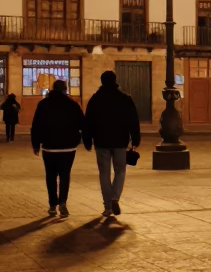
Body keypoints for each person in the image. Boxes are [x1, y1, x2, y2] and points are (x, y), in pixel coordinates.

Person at [83, 70, 141, 218]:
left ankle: (108, 207)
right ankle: (115, 198)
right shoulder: (125, 98)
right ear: (115, 81)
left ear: (102, 81)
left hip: (101, 141)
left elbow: (88, 121)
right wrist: (135, 139)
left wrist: (87, 140)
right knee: (120, 171)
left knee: (104, 173)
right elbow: (133, 120)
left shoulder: (95, 99)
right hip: (120, 141)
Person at [30, 80, 85, 218]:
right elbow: (83, 124)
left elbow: (36, 125)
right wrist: (79, 140)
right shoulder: (73, 104)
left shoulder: (43, 104)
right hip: (68, 148)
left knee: (51, 176)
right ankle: (63, 203)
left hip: (49, 147)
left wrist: (36, 144)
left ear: (53, 89)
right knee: (65, 175)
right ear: (65, 89)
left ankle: (52, 205)